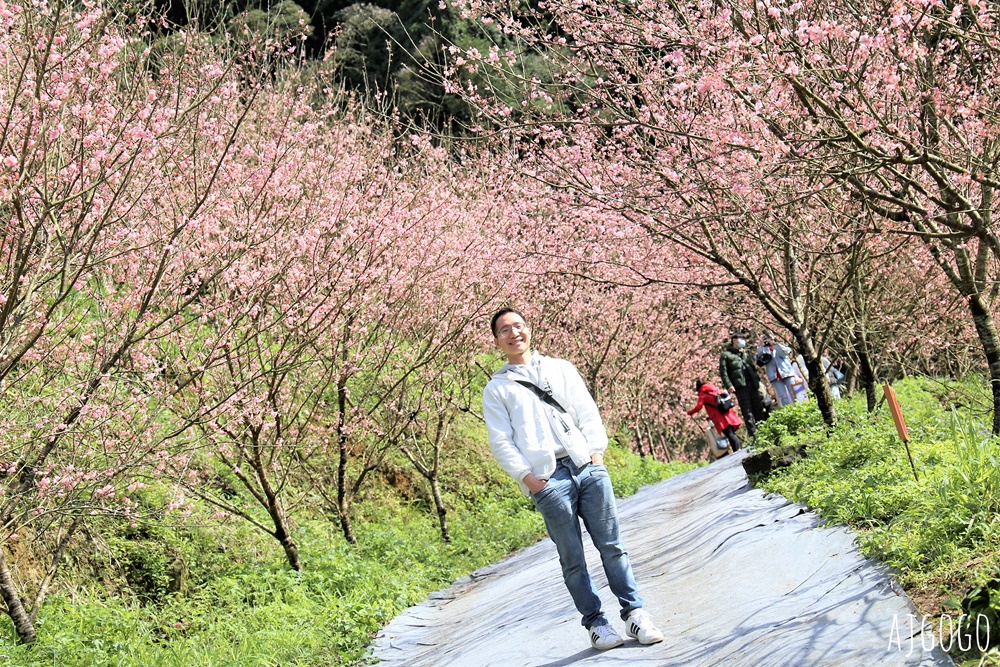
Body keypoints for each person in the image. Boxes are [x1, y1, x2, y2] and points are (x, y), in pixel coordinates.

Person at [482, 308, 664, 651]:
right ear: (496, 341)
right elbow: (501, 441)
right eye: (505, 330)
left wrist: (596, 454)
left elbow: (586, 411)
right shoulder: (497, 389)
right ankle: (597, 624)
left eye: (518, 326)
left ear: (529, 329)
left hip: (586, 466)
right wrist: (530, 479)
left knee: (612, 546)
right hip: (549, 480)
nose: (513, 333)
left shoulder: (561, 369)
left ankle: (635, 614)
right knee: (572, 559)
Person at [719, 332, 765, 436]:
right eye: (741, 339)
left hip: (752, 384)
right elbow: (723, 372)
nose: (743, 341)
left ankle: (763, 431)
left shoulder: (745, 354)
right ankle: (753, 434)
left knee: (758, 408)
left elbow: (753, 368)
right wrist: (729, 385)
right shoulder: (726, 356)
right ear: (734, 340)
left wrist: (758, 381)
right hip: (740, 386)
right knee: (747, 410)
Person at [687, 380, 742, 452]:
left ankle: (738, 450)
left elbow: (699, 407)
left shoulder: (702, 394)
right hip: (727, 413)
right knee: (731, 434)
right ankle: (736, 450)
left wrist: (690, 412)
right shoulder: (713, 388)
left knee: (729, 434)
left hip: (719, 417)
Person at [755, 334, 804, 407]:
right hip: (774, 376)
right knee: (783, 397)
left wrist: (774, 343)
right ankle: (788, 412)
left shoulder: (780, 345)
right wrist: (761, 345)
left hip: (787, 373)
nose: (767, 341)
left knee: (793, 394)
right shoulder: (763, 349)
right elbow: (758, 359)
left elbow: (784, 353)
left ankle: (799, 409)